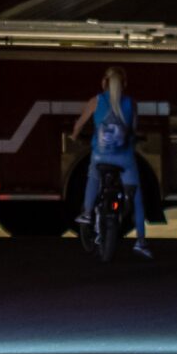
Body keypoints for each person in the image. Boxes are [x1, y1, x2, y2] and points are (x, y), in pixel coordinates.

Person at [68, 65, 151, 258]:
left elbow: (79, 124)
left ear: (103, 82)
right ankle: (141, 241)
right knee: (136, 196)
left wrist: (74, 135)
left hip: (100, 156)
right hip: (125, 158)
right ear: (125, 84)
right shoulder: (131, 103)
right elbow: (133, 129)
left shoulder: (96, 101)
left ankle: (88, 213)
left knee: (93, 176)